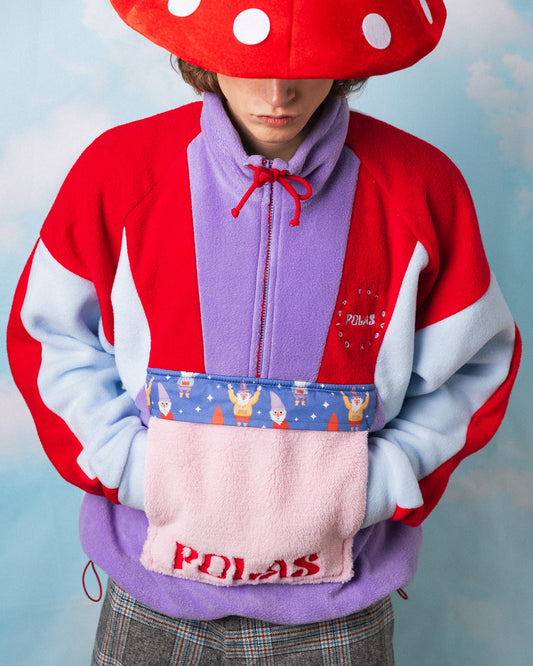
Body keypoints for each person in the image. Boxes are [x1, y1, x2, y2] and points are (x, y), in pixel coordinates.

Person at [7, 1, 521, 664]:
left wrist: (376, 484)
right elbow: (51, 340)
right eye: (252, 62)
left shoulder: (420, 187)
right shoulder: (119, 171)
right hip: (152, 595)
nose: (278, 93)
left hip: (337, 608)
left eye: (306, 61)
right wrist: (134, 471)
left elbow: (473, 367)